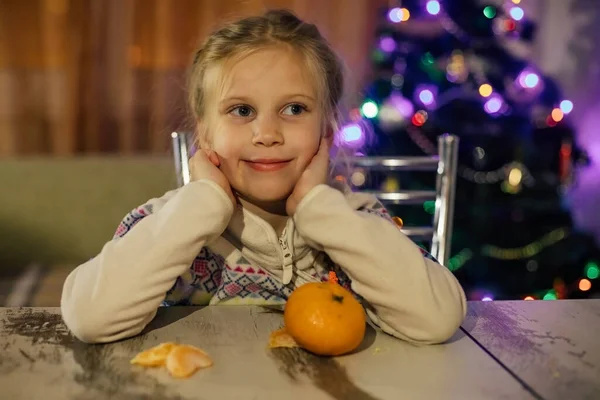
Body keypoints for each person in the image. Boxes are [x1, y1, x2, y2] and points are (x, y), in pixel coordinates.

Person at [61, 9, 466, 345]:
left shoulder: (357, 222)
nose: (268, 134)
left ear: (326, 131)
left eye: (294, 109)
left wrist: (320, 211)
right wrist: (204, 203)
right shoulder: (169, 224)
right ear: (205, 133)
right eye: (241, 111)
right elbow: (88, 317)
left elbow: (438, 319)